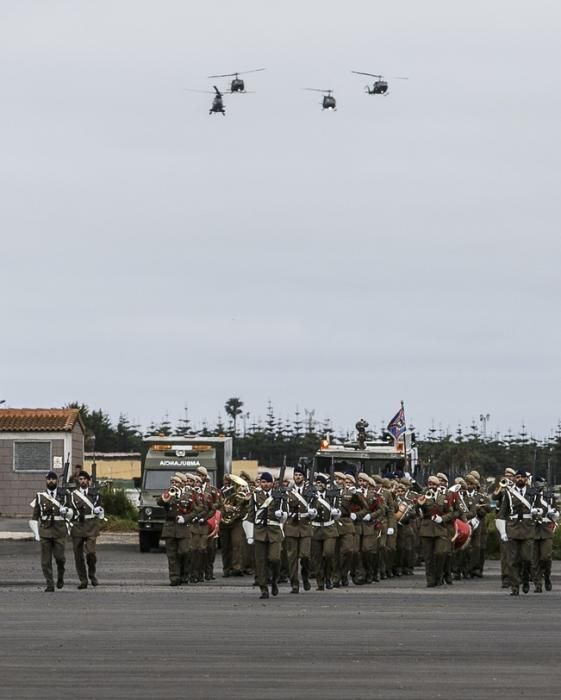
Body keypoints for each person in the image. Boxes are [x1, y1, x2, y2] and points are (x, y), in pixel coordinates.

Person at [248, 472, 287, 599]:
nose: (265, 484)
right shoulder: (255, 496)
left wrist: (282, 514)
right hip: (260, 532)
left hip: (274, 531)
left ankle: (275, 581)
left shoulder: (279, 495)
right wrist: (249, 534)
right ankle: (263, 588)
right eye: (263, 482)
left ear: (273, 483)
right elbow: (250, 516)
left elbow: (286, 511)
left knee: (275, 559)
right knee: (260, 562)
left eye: (268, 482)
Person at [31, 471, 73, 592]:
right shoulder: (40, 496)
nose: (51, 481)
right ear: (46, 481)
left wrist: (67, 512)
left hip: (60, 531)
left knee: (60, 558)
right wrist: (36, 533)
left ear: (57, 481)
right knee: (45, 561)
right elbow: (35, 516)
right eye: (48, 479)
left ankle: (60, 576)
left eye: (53, 479)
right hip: (45, 531)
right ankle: (50, 583)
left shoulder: (64, 495)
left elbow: (72, 513)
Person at [496, 469, 535, 596]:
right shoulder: (508, 493)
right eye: (517, 477)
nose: (519, 479)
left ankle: (525, 579)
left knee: (527, 559)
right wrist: (503, 532)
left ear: (526, 479)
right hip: (513, 529)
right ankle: (515, 586)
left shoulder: (532, 493)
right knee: (513, 560)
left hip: (528, 529)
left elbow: (541, 509)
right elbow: (502, 513)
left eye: (522, 477)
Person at [157, 473, 199, 586]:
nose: (174, 484)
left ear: (182, 484)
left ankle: (185, 574)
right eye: (173, 482)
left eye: (176, 483)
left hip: (183, 528)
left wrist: (185, 518)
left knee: (184, 552)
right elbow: (159, 502)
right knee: (172, 555)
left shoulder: (189, 495)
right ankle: (174, 577)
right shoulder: (168, 493)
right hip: (170, 528)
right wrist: (166, 498)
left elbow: (195, 511)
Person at [69, 470, 104, 589]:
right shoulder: (73, 495)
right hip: (78, 526)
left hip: (91, 526)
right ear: (78, 481)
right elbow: (70, 510)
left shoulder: (95, 494)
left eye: (84, 479)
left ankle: (92, 574)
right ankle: (83, 580)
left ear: (88, 481)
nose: (82, 481)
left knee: (91, 553)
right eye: (80, 479)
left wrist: (99, 510)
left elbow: (101, 508)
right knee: (78, 556)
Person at [284, 466, 312, 593]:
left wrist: (313, 512)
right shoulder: (287, 491)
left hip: (305, 527)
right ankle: (294, 584)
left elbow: (316, 504)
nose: (298, 477)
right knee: (292, 558)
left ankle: (305, 576)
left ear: (304, 477)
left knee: (305, 556)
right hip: (291, 527)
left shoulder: (310, 490)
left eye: (300, 475)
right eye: (296, 475)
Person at [530, 476, 559, 592]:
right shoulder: (531, 496)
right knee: (534, 559)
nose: (539, 484)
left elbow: (556, 511)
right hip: (533, 530)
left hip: (546, 530)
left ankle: (547, 576)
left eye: (541, 482)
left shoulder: (549, 497)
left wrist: (554, 512)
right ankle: (538, 584)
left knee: (546, 557)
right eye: (537, 482)